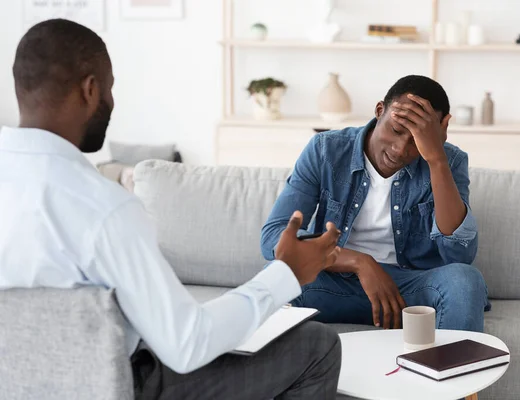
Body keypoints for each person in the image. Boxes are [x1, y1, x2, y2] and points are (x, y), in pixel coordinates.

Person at [0, 19, 344, 399]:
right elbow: (187, 344)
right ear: (90, 89)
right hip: (116, 389)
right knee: (317, 346)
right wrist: (286, 273)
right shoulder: (103, 209)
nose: (112, 103)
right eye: (110, 89)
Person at [261, 75, 489, 332]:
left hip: (410, 291)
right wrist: (360, 263)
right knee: (276, 276)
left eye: (416, 139)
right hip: (335, 281)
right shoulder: (325, 150)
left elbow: (460, 255)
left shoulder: (450, 161)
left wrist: (436, 159)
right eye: (396, 130)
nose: (400, 149)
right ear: (380, 110)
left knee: (465, 281)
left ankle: (445, 371)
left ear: (442, 129)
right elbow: (274, 239)